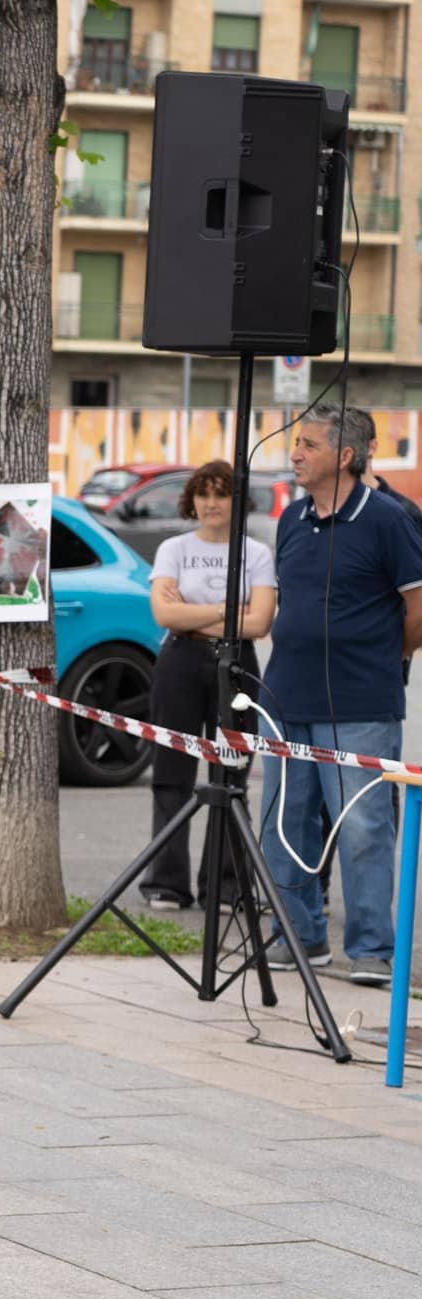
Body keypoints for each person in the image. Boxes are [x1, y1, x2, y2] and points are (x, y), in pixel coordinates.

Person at [258, 404, 422, 986]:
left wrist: (383, 655)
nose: (294, 452)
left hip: (361, 702)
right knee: (283, 821)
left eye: (307, 444)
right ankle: (297, 936)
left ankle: (373, 950)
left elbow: (417, 609)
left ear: (344, 456)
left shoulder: (387, 520)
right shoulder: (291, 519)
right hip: (283, 698)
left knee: (363, 827)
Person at [137, 460, 276, 911]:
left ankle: (227, 886)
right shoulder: (173, 548)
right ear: (191, 499)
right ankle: (166, 883)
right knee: (171, 774)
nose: (211, 503)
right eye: (203, 493)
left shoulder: (255, 553)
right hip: (179, 660)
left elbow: (258, 622)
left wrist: (196, 609)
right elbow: (165, 616)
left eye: (221, 494)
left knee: (229, 774)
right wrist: (225, 609)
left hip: (236, 664)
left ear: (238, 501)